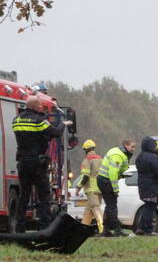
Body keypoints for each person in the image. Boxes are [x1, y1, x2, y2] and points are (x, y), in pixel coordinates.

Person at [11, 95, 65, 233]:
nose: (41, 107)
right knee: (43, 195)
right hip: (37, 163)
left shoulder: (16, 121)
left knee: (24, 195)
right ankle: (44, 227)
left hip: (23, 162)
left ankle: (19, 227)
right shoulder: (40, 121)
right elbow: (55, 133)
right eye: (40, 105)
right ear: (35, 106)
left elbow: (29, 137)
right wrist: (63, 124)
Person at [97, 139, 135, 237]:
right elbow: (113, 174)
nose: (133, 149)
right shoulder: (117, 156)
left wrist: (121, 175)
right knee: (112, 206)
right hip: (106, 181)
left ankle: (106, 230)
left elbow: (116, 171)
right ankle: (117, 230)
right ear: (126, 145)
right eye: (132, 147)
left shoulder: (117, 152)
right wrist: (115, 189)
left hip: (103, 180)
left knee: (109, 205)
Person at [135, 136, 158, 235]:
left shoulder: (140, 157)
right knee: (151, 207)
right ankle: (147, 229)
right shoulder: (152, 158)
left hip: (143, 186)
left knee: (148, 206)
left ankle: (141, 228)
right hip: (153, 187)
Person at [75, 139, 103, 234]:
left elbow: (85, 176)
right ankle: (83, 229)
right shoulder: (101, 159)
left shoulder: (86, 161)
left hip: (91, 190)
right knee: (88, 211)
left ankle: (102, 228)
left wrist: (78, 187)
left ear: (86, 150)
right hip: (100, 188)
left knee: (95, 208)